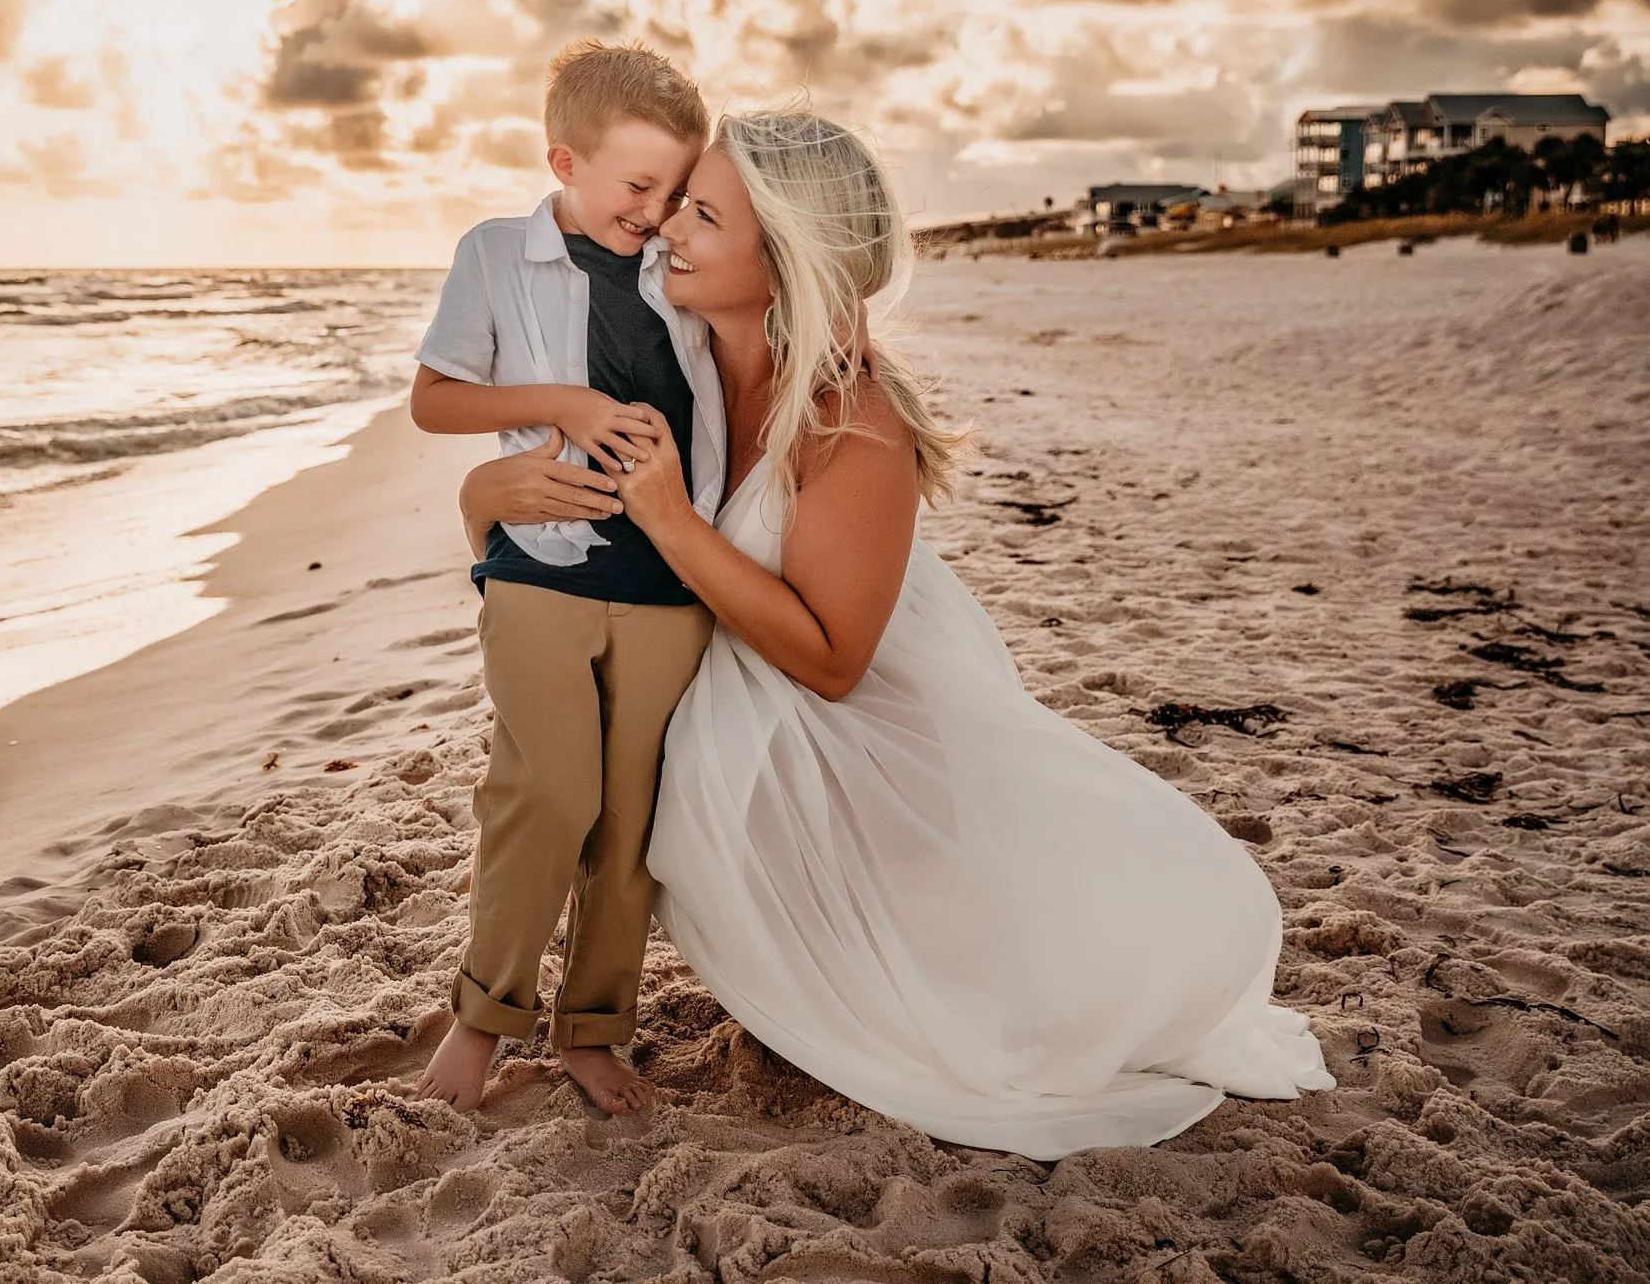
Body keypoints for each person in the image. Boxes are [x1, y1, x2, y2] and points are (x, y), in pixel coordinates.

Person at [460, 110, 1334, 1159]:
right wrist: (481, 495)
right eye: (678, 200)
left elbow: (833, 661)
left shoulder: (852, 420)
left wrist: (670, 519)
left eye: (703, 213)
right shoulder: (673, 348)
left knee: (957, 991)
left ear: (783, 261)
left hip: (859, 732)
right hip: (748, 685)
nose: (666, 227)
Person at [406, 39, 728, 1114]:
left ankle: (593, 1027)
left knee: (629, 816)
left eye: (675, 190)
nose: (655, 210)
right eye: (638, 185)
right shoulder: (495, 254)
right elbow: (436, 399)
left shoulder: (677, 269)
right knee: (546, 790)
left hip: (667, 583)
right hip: (537, 562)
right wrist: (564, 405)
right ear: (564, 160)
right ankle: (481, 1015)